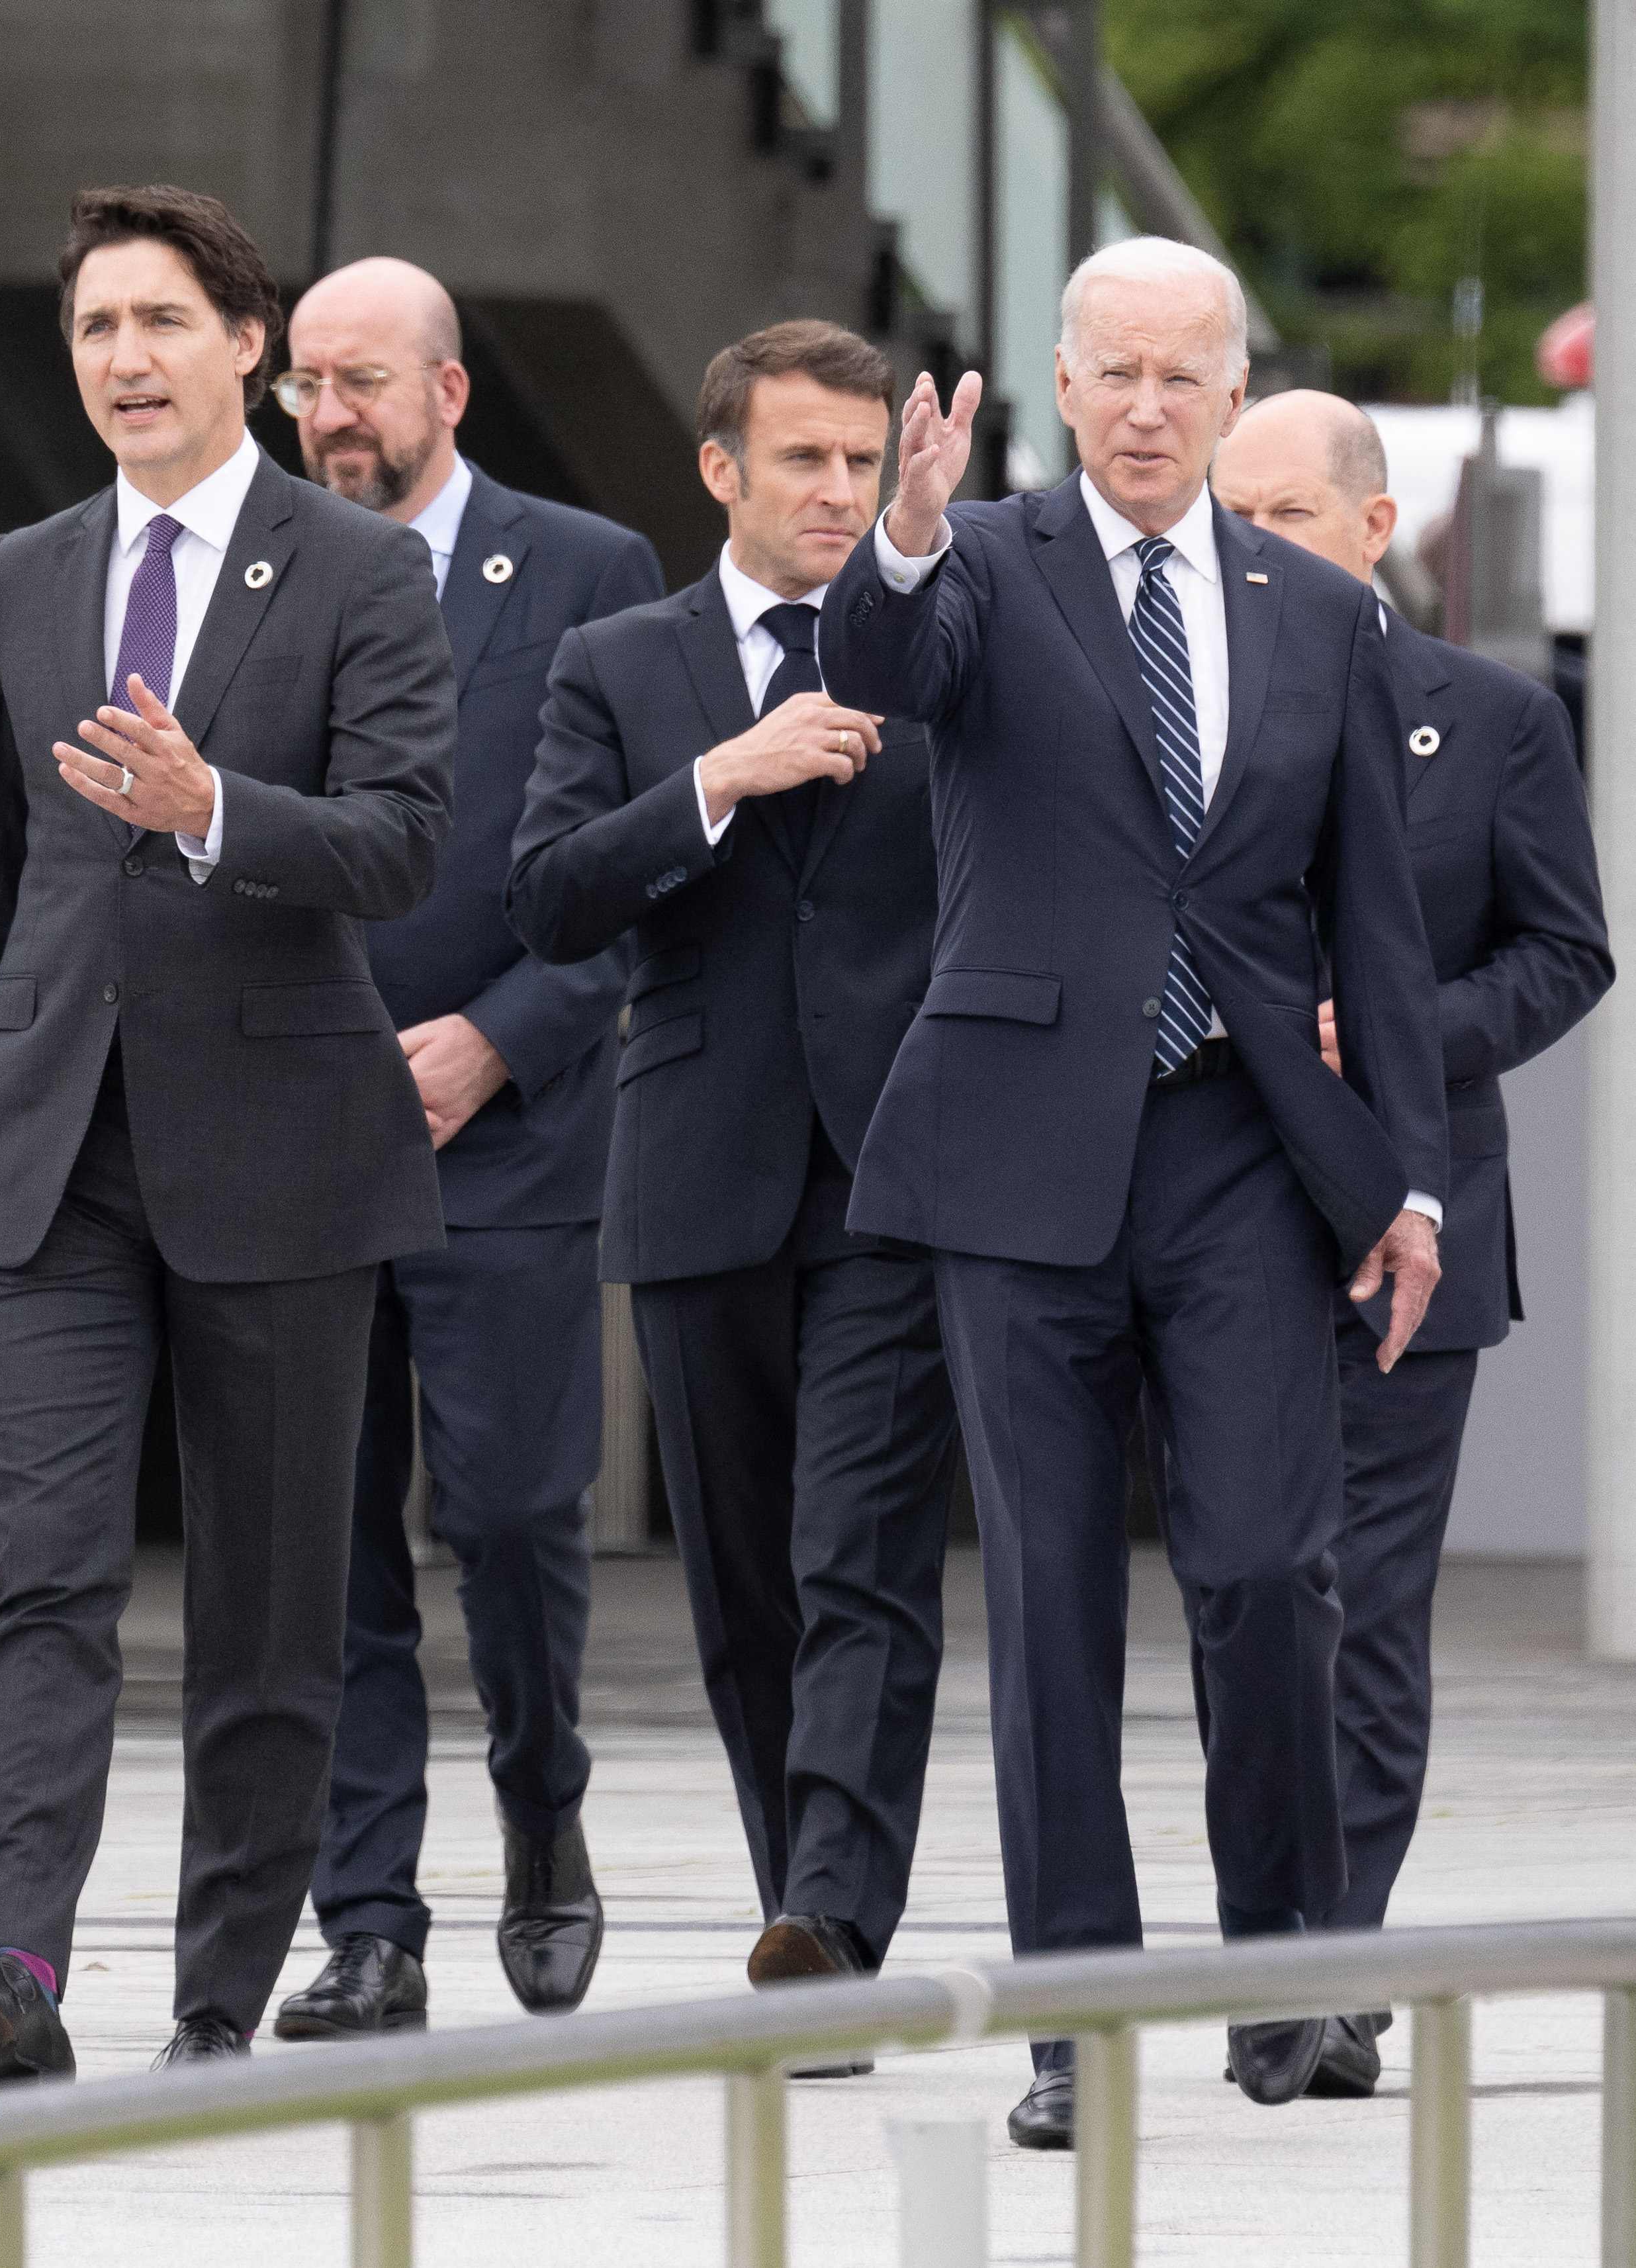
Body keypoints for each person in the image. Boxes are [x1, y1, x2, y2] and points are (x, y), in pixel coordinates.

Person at [821, 240, 1450, 2149]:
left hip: (1240, 1148)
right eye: (1117, 374)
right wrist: (902, 532)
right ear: (1061, 384)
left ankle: (1277, 1993)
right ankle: (1071, 2031)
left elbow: (1373, 921)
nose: (1153, 407)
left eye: (1189, 375)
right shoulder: (982, 564)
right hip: (1019, 1145)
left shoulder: (1314, 610)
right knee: (1050, 1605)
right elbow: (874, 666)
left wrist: (1403, 1183)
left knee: (1267, 1570)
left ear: (1236, 390)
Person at [0, 183, 457, 2085]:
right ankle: (9, 1969)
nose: (119, 360)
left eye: (156, 323)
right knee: (44, 1569)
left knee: (265, 1611)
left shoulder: (361, 569)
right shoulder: (34, 574)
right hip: (51, 1154)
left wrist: (220, 805)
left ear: (247, 343)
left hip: (285, 1154)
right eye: (90, 331)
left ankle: (216, 1993)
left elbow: (398, 837)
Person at [506, 323, 954, 2071]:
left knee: (859, 1560)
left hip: (901, 1172)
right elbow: (545, 895)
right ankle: (805, 1917)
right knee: (745, 1592)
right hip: (698, 1171)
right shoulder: (618, 662)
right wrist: (716, 775)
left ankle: (833, 1925)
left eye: (862, 460)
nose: (838, 491)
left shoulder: (949, 637)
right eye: (804, 462)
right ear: (721, 473)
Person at [261, 257, 660, 2042]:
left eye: (360, 381)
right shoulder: (247, 572)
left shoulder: (586, 575)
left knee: (506, 1514)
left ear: (447, 392)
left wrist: (498, 1038)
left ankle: (543, 1813)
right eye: (304, 386)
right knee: (325, 1542)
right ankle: (368, 1920)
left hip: (510, 1132)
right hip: (291, 1136)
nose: (329, 414)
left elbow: (637, 873)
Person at [1208, 389, 1611, 2094]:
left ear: (1374, 529)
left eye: (1287, 515)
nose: (1251, 548)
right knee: (1248, 1598)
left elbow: (1562, 954)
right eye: (1233, 516)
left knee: (1364, 1613)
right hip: (1209, 1220)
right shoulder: (1173, 704)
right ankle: (1266, 1944)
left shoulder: (1493, 717)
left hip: (1408, 1220)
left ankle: (1328, 1965)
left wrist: (1389, 1033)